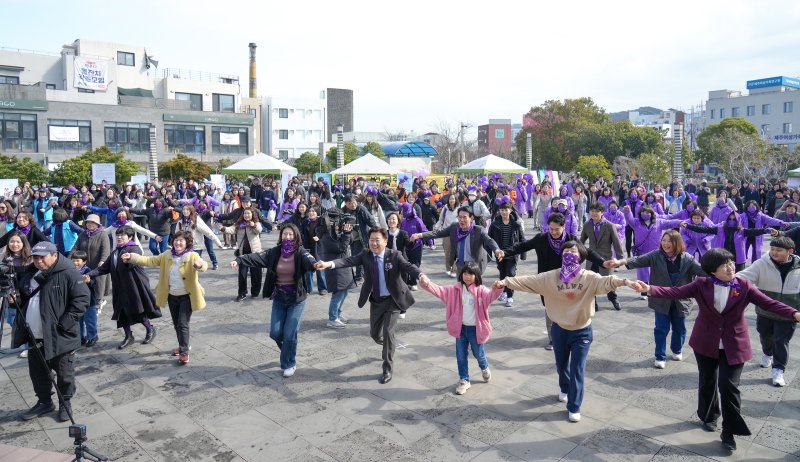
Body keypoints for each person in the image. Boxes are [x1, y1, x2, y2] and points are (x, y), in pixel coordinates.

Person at [640, 248, 800, 452]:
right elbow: (675, 292)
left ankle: (729, 431)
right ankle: (708, 416)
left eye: (731, 263)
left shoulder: (744, 285)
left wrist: (794, 313)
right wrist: (649, 288)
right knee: (707, 381)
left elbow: (769, 303)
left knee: (728, 387)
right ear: (712, 270)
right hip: (706, 341)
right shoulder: (701, 284)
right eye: (724, 264)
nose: (731, 267)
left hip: (734, 344)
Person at [494, 241, 643, 422]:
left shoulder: (588, 277)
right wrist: (506, 282)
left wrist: (625, 281)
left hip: (582, 331)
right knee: (561, 365)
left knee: (577, 369)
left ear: (581, 257)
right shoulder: (551, 277)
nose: (570, 254)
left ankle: (574, 405)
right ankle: (564, 388)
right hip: (559, 329)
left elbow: (607, 281)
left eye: (574, 251)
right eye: (566, 251)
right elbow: (528, 281)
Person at [316, 227, 423, 384]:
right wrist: (328, 264)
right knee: (375, 334)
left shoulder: (394, 255)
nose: (374, 243)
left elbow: (408, 266)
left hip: (393, 300)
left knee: (388, 333)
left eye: (377, 240)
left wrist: (421, 275)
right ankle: (389, 344)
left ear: (385, 241)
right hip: (376, 300)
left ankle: (387, 368)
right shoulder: (365, 255)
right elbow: (347, 261)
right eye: (371, 240)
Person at [500, 213, 608, 349]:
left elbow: (587, 252)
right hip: (548, 281)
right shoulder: (541, 238)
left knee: (567, 306)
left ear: (564, 227)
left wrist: (603, 262)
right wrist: (505, 252)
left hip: (569, 281)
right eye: (551, 229)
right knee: (550, 308)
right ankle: (553, 339)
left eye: (557, 229)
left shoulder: (571, 240)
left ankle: (570, 334)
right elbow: (522, 246)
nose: (554, 232)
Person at [13, 241, 90, 422]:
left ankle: (65, 402)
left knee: (64, 373)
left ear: (54, 255)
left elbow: (82, 300)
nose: (39, 261)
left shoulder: (69, 273)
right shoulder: (31, 273)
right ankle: (44, 402)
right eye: (36, 258)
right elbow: (24, 296)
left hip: (60, 335)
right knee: (38, 372)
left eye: (42, 257)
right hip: (35, 335)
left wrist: (64, 324)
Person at [230, 223, 317, 378]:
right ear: (281, 236)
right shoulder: (274, 252)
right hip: (279, 297)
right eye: (285, 234)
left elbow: (309, 260)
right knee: (276, 333)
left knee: (290, 334)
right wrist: (239, 260)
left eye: (291, 234)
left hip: (296, 299)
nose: (287, 237)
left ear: (296, 236)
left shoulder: (300, 252)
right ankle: (288, 349)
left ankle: (289, 362)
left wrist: (315, 264)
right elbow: (257, 257)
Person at [612, 230, 706, 368]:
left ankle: (676, 349)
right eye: (664, 240)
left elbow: (704, 272)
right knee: (661, 329)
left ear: (677, 243)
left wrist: (720, 274)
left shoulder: (688, 259)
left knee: (680, 328)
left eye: (669, 241)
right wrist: (620, 262)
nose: (666, 244)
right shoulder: (656, 255)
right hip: (661, 299)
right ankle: (660, 356)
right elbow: (638, 259)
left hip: (682, 300)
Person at [123, 230, 208, 365]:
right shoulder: (166, 255)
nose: (178, 243)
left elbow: (203, 265)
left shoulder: (192, 256)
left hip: (187, 296)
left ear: (187, 243)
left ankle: (184, 352)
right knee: (176, 324)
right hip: (172, 296)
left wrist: (200, 265)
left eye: (181, 240)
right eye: (176, 240)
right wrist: (132, 257)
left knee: (183, 323)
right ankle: (182, 346)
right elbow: (149, 260)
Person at [419, 262, 504, 395]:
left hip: (476, 329)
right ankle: (464, 380)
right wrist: (426, 283)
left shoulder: (482, 291)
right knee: (460, 356)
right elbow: (439, 290)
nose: (467, 276)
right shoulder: (454, 290)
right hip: (460, 329)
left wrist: (497, 288)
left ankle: (484, 367)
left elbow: (491, 296)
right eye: (465, 273)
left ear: (476, 275)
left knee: (479, 354)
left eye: (470, 273)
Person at [738, 237, 800, 387]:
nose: (774, 252)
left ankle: (778, 369)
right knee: (765, 336)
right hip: (765, 311)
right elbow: (743, 277)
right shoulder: (761, 263)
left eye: (778, 250)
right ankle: (767, 353)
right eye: (772, 249)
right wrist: (725, 281)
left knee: (781, 341)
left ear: (790, 252)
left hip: (789, 313)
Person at [88, 227, 161, 349]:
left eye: (122, 235)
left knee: (138, 309)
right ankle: (128, 336)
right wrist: (88, 274)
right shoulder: (115, 252)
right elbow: (103, 269)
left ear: (130, 237)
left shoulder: (134, 248)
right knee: (121, 312)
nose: (119, 237)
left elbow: (134, 259)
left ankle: (150, 329)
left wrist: (129, 258)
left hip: (134, 285)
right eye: (117, 235)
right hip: (119, 287)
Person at [412, 206, 502, 275]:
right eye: (459, 217)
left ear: (471, 218)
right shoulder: (454, 227)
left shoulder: (478, 230)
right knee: (460, 291)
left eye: (464, 217)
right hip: (460, 264)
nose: (461, 220)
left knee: (474, 291)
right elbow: (437, 233)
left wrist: (497, 250)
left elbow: (489, 240)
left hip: (475, 264)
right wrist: (420, 235)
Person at [682, 212, 776, 272]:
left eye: (734, 219)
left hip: (738, 260)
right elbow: (703, 229)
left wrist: (765, 230)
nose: (731, 221)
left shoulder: (742, 231)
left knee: (738, 280)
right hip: (722, 258)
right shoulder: (719, 229)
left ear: (738, 220)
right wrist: (688, 226)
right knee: (722, 278)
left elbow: (755, 231)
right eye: (730, 219)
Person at [581, 202, 624, 310]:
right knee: (591, 281)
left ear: (602, 213)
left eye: (597, 211)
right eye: (592, 211)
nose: (594, 213)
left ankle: (613, 298)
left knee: (609, 281)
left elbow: (616, 242)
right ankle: (593, 302)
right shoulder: (587, 225)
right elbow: (581, 242)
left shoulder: (609, 225)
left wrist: (620, 259)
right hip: (591, 259)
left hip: (606, 258)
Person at [317, 210, 356, 328]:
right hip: (335, 267)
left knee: (344, 291)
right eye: (337, 221)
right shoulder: (325, 234)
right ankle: (332, 318)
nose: (339, 223)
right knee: (338, 293)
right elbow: (341, 247)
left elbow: (350, 241)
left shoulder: (334, 232)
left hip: (342, 264)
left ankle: (337, 314)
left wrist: (347, 232)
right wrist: (346, 234)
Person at [220, 207, 263, 302]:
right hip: (243, 253)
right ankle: (242, 293)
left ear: (252, 215)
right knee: (242, 274)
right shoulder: (239, 224)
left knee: (256, 274)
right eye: (245, 213)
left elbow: (259, 230)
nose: (246, 215)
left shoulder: (256, 223)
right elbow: (231, 229)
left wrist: (254, 225)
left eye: (248, 213)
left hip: (255, 253)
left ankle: (255, 292)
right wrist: (223, 228)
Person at [488, 200, 525, 307]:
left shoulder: (516, 224)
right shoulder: (495, 224)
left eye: (506, 210)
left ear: (510, 210)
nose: (504, 212)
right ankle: (503, 291)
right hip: (499, 254)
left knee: (510, 274)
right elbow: (489, 239)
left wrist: (523, 254)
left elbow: (522, 239)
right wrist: (490, 252)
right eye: (502, 210)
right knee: (502, 273)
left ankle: (510, 296)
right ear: (499, 211)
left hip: (512, 253)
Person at [3, 232, 32, 358]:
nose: (14, 244)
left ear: (23, 243)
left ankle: (27, 346)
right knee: (11, 320)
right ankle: (22, 342)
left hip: (26, 295)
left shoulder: (30, 259)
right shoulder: (6, 258)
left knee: (24, 321)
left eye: (18, 242)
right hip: (11, 295)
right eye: (12, 241)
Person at [342, 193, 378, 282]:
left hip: (361, 237)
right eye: (349, 203)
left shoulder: (361, 209)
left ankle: (360, 276)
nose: (353, 205)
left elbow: (371, 221)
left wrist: (377, 233)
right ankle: (360, 274)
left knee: (359, 256)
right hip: (350, 238)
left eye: (354, 202)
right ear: (346, 203)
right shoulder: (343, 210)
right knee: (355, 256)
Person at [71, 251, 98, 347]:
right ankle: (81, 337)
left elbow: (94, 282)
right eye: (73, 261)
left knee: (90, 320)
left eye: (77, 261)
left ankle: (92, 337)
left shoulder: (87, 271)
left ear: (84, 261)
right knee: (79, 321)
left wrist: (89, 281)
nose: (75, 263)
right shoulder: (71, 271)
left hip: (89, 301)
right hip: (76, 302)